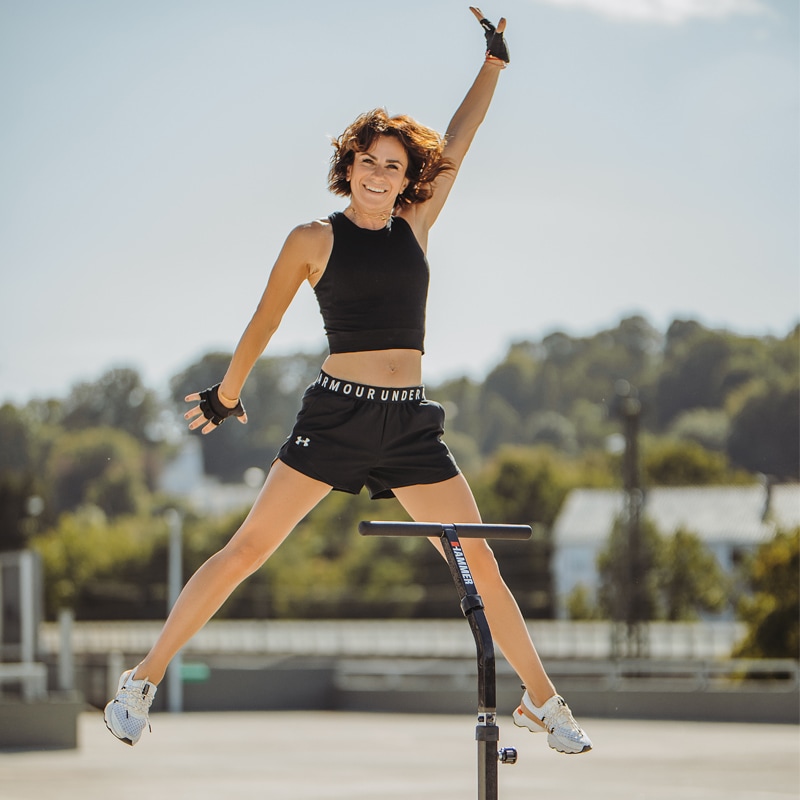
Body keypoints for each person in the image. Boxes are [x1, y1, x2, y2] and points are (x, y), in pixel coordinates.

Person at [104, 7, 592, 756]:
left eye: (395, 165)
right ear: (350, 164)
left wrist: (492, 66)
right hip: (336, 417)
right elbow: (264, 322)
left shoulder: (416, 225)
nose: (381, 173)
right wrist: (227, 393)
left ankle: (543, 698)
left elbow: (461, 141)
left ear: (406, 177)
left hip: (408, 426)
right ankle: (142, 679)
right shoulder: (312, 238)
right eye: (370, 160)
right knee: (247, 550)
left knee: (478, 559)